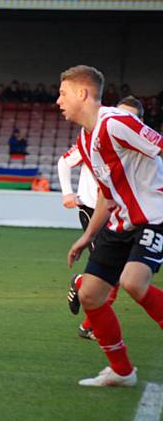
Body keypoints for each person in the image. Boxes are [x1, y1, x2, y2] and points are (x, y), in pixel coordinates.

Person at [59, 64, 163, 387]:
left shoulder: (118, 123)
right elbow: (107, 194)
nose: (58, 101)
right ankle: (121, 372)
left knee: (133, 281)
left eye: (62, 93)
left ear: (82, 93)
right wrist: (87, 235)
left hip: (154, 217)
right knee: (90, 294)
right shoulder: (87, 139)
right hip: (120, 224)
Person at [58, 95, 144, 341]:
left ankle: (83, 295)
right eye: (119, 114)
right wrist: (67, 193)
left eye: (130, 117)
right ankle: (89, 325)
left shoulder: (134, 149)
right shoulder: (95, 138)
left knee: (118, 272)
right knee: (112, 272)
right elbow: (64, 162)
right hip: (92, 210)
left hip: (121, 213)